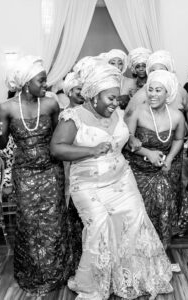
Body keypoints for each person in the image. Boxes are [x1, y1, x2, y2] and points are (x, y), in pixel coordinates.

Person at [50, 61, 173, 300]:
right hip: (87, 183)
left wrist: (145, 151)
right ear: (94, 96)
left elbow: (126, 141)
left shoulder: (116, 114)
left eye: (117, 98)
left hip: (122, 179)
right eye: (110, 98)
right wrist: (91, 150)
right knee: (99, 226)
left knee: (135, 219)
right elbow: (56, 149)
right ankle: (95, 284)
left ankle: (133, 276)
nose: (115, 103)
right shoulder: (72, 117)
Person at [0, 55, 73, 296]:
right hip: (24, 173)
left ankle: (58, 271)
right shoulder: (6, 108)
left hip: (51, 171)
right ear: (27, 82)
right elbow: (2, 142)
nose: (46, 85)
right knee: (29, 222)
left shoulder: (50, 104)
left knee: (54, 220)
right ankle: (34, 272)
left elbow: (59, 138)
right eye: (42, 80)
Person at [124, 70, 186, 248]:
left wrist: (169, 159)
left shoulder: (176, 116)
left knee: (163, 201)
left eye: (158, 90)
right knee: (137, 208)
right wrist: (147, 152)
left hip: (161, 169)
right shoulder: (137, 111)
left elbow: (179, 139)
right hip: (137, 168)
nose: (152, 94)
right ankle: (137, 247)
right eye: (150, 90)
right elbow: (126, 140)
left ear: (168, 94)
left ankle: (159, 247)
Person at [126, 50, 188, 142]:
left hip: (179, 142)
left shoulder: (179, 90)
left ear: (169, 72)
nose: (157, 74)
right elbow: (127, 117)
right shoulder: (143, 93)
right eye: (153, 71)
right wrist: (132, 138)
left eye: (161, 70)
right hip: (151, 147)